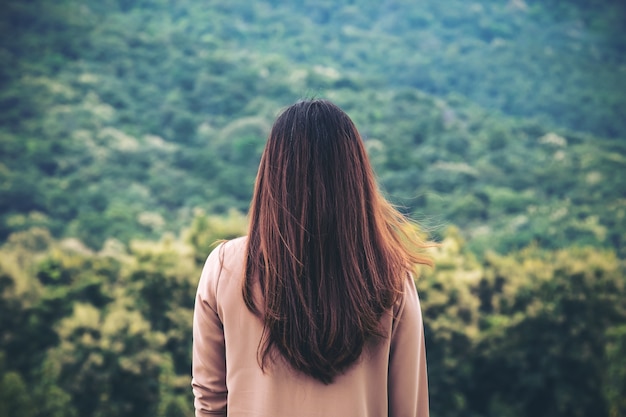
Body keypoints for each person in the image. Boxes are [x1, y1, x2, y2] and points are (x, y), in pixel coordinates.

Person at [192, 99, 433, 417]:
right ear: (354, 178)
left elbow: (210, 404)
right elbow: (409, 409)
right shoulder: (390, 278)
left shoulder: (224, 269)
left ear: (272, 174)